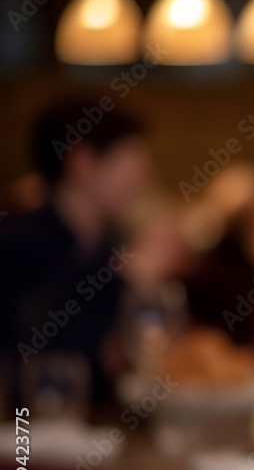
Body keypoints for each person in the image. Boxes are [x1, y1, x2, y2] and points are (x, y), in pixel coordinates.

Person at [0, 99, 151, 409]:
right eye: (130, 162)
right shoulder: (17, 246)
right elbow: (40, 361)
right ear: (81, 163)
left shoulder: (106, 245)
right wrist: (131, 278)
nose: (143, 179)